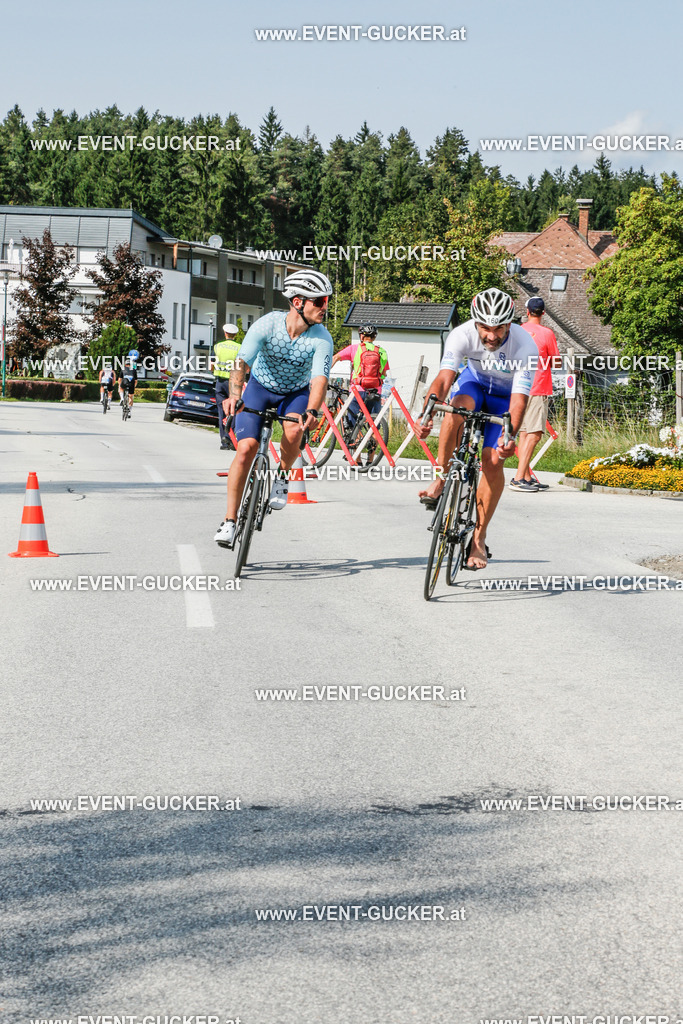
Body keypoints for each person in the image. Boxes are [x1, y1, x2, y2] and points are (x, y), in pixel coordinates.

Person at [416, 288, 537, 570]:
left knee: (493, 461)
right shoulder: (461, 334)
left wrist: (510, 435)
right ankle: (442, 476)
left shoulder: (526, 346)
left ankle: (479, 539)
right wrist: (426, 414)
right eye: (485, 328)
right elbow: (445, 378)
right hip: (476, 385)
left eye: (499, 329)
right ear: (475, 323)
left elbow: (520, 399)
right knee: (455, 409)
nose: (492, 336)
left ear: (510, 323)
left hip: (504, 400)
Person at [214, 269, 334, 548]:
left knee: (293, 430)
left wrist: (313, 411)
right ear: (298, 302)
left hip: (295, 393)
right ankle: (229, 521)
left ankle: (282, 475)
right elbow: (240, 364)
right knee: (246, 449)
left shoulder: (321, 338)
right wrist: (234, 395)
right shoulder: (268, 325)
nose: (324, 307)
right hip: (259, 388)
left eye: (326, 301)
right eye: (319, 301)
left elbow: (319, 380)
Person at [511, 297, 561, 492]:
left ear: (527, 311)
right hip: (538, 385)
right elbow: (556, 363)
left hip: (518, 387)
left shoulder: (517, 331)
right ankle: (517, 478)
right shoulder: (547, 334)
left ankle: (525, 475)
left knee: (524, 433)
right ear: (544, 312)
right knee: (535, 434)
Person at [331, 324, 391, 433]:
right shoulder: (382, 352)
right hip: (375, 391)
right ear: (374, 337)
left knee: (353, 422)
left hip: (357, 390)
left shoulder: (354, 348)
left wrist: (324, 374)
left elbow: (335, 358)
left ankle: (355, 444)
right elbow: (384, 373)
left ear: (362, 336)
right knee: (374, 426)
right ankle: (372, 448)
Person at [214, 322, 242, 450]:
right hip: (233, 384)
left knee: (222, 412)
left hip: (220, 382)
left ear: (225, 333)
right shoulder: (239, 347)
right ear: (235, 335)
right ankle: (231, 438)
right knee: (234, 411)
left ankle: (224, 441)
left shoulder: (218, 347)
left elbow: (212, 365)